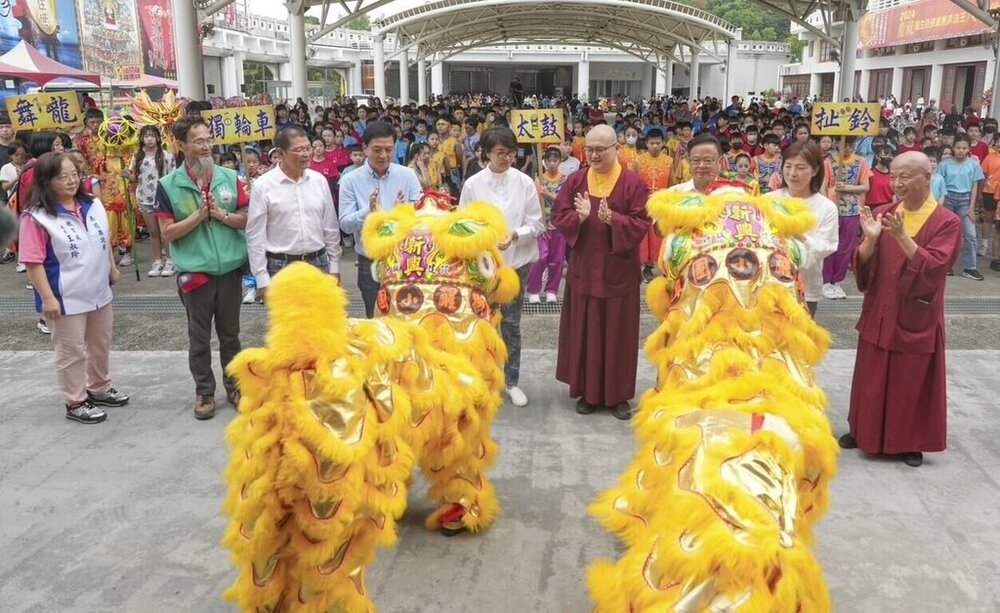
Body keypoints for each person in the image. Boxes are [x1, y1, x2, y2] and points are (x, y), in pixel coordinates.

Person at [840, 151, 962, 468]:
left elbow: (936, 267)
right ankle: (862, 431)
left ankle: (909, 441)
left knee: (909, 381)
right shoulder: (884, 212)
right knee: (870, 375)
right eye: (893, 176)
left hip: (915, 313)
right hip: (880, 309)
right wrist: (869, 241)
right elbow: (862, 263)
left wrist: (903, 238)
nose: (896, 183)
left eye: (904, 177)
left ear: (927, 177)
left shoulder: (946, 221)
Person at [18, 152, 129, 424]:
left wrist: (112, 267)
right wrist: (47, 298)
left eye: (74, 175)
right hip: (64, 297)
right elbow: (33, 261)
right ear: (46, 181)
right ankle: (76, 401)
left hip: (99, 290)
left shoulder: (92, 203)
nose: (71, 181)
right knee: (71, 352)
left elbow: (103, 239)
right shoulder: (37, 217)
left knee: (100, 344)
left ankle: (99, 387)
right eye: (62, 177)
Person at [551, 124, 651, 420]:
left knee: (619, 335)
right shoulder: (576, 180)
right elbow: (559, 215)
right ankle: (588, 393)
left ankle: (618, 396)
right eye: (589, 149)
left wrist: (614, 220)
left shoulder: (633, 183)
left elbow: (641, 223)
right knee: (586, 332)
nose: (593, 155)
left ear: (615, 149)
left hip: (618, 272)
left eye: (600, 150)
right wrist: (579, 217)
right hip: (584, 270)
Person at [154, 116, 250, 420]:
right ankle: (204, 392)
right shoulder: (168, 185)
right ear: (181, 145)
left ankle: (234, 387)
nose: (206, 146)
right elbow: (167, 233)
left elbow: (246, 219)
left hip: (230, 270)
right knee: (199, 337)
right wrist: (199, 215)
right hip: (195, 273)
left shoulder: (230, 177)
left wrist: (220, 214)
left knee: (231, 335)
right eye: (198, 141)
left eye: (209, 139)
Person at [459, 127, 544, 407]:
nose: (506, 158)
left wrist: (516, 235)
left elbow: (537, 224)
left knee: (511, 324)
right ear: (486, 153)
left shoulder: (524, 182)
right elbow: (462, 225)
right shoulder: (473, 185)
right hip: (482, 267)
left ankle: (512, 381)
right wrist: (484, 240)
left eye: (510, 153)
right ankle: (481, 379)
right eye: (499, 153)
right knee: (480, 323)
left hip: (515, 265)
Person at [247, 126, 342, 305]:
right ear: (281, 153)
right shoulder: (263, 186)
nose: (306, 154)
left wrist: (334, 266)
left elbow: (330, 226)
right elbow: (255, 235)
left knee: (321, 318)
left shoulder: (319, 181)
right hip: (281, 267)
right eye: (299, 150)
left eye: (308, 148)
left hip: (318, 264)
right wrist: (261, 278)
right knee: (289, 321)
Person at [339, 122, 424, 318]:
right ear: (365, 148)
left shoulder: (407, 175)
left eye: (389, 149)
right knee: (375, 316)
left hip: (405, 257)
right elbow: (345, 224)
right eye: (377, 150)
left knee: (408, 316)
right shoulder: (350, 180)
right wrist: (368, 211)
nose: (383, 156)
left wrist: (402, 212)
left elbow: (422, 216)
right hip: (370, 260)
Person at [770, 141, 839, 317]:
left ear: (815, 170)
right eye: (788, 166)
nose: (792, 173)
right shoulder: (768, 201)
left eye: (800, 167)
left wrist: (800, 236)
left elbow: (825, 247)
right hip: (767, 288)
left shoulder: (826, 208)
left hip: (804, 290)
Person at [823, 136, 871, 300]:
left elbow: (865, 186)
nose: (848, 147)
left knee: (846, 247)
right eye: (845, 143)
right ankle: (826, 282)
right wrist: (825, 205)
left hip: (852, 208)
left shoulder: (861, 162)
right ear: (837, 143)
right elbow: (823, 185)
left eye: (851, 144)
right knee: (830, 244)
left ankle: (837, 281)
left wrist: (847, 187)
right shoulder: (829, 161)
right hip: (832, 207)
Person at [936, 134, 984, 280]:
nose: (961, 150)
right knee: (946, 234)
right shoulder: (944, 165)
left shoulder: (973, 165)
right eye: (958, 147)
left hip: (965, 201)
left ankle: (970, 267)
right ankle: (945, 265)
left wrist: (972, 207)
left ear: (969, 149)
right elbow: (939, 184)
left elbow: (974, 186)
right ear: (953, 148)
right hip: (948, 199)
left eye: (964, 148)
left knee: (971, 234)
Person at [131, 125, 176, 278]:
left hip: (163, 198)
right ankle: (157, 261)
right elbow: (134, 177)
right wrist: (127, 175)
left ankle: (170, 260)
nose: (149, 139)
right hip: (145, 197)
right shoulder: (137, 156)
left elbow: (173, 176)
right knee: (153, 232)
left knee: (165, 232)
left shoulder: (167, 155)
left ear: (158, 138)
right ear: (141, 138)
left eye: (152, 136)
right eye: (146, 136)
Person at [526, 147, 567, 304]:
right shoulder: (538, 180)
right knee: (539, 257)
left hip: (559, 224)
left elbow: (565, 202)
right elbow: (532, 203)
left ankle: (552, 290)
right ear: (544, 161)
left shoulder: (565, 180)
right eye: (549, 160)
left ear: (559, 161)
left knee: (557, 259)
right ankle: (533, 290)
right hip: (542, 224)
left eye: (555, 160)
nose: (552, 163)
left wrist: (547, 193)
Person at [632, 128, 673, 280]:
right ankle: (646, 267)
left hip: (662, 204)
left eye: (658, 143)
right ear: (647, 144)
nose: (655, 146)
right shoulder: (639, 160)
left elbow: (672, 183)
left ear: (663, 143)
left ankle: (664, 265)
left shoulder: (669, 161)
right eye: (652, 143)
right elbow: (632, 183)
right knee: (645, 237)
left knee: (661, 235)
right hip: (643, 204)